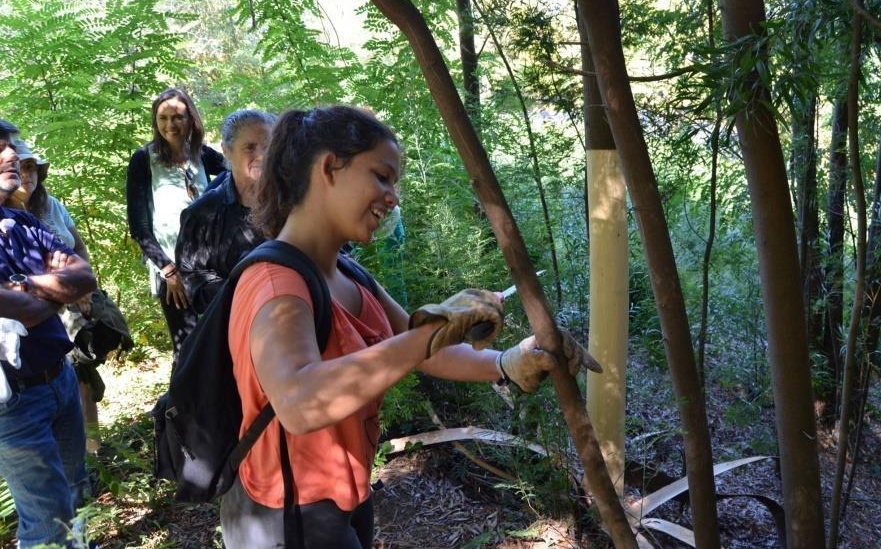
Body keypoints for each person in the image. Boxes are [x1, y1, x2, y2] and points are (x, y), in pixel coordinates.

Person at [219, 106, 599, 548]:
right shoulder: (275, 284)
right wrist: (433, 330)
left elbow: (427, 352)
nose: (392, 196)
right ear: (328, 168)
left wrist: (509, 361)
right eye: (381, 176)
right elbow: (299, 404)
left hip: (341, 494)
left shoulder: (346, 273)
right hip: (286, 514)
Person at [0, 118, 97, 547]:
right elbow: (22, 310)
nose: (12, 156)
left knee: (72, 492)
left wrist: (24, 283)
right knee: (45, 520)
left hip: (58, 378)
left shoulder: (18, 221)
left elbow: (82, 275)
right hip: (15, 400)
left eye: (11, 147)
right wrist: (54, 294)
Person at [5, 139, 101, 451]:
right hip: (20, 387)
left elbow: (81, 262)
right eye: (22, 167)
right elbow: (22, 311)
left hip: (62, 344)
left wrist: (24, 283)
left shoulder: (44, 211)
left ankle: (94, 442)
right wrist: (62, 291)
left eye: (31, 166)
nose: (26, 172)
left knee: (84, 369)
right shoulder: (19, 216)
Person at [126, 88, 224, 355]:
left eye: (177, 117)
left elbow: (236, 174)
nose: (170, 125)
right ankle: (186, 397)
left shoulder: (202, 154)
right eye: (163, 118)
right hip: (172, 273)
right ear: (155, 122)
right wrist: (168, 271)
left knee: (223, 342)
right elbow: (139, 227)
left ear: (190, 118)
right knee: (188, 350)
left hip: (211, 269)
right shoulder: (144, 160)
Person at [175, 109, 274, 315]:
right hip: (233, 328)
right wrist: (250, 293)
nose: (261, 155)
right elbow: (193, 280)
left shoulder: (296, 201)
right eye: (250, 147)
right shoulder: (202, 215)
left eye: (267, 146)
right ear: (227, 151)